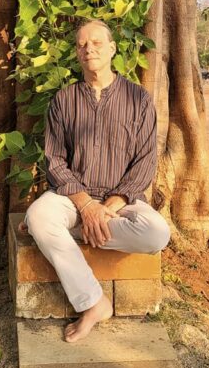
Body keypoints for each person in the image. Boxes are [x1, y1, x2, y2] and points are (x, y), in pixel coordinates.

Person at [20, 19, 170, 343]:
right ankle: (92, 302)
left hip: (122, 204)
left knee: (157, 233)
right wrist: (87, 206)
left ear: (112, 49)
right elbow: (55, 160)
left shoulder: (139, 100)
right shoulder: (64, 100)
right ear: (77, 53)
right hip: (74, 197)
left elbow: (145, 162)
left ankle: (72, 232)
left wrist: (107, 209)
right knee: (39, 216)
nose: (90, 49)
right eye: (82, 44)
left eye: (97, 43)